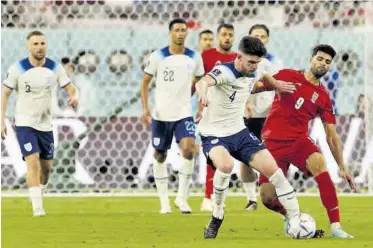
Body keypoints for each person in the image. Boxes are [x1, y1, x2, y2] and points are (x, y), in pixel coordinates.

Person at [196, 36, 300, 239]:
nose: (254, 66)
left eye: (257, 62)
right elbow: (203, 81)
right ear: (239, 56)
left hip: (240, 132)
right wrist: (202, 93)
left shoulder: (255, 68)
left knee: (275, 173)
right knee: (225, 166)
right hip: (214, 134)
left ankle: (296, 219)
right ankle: (217, 214)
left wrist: (276, 84)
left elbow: (263, 76)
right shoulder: (225, 71)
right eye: (250, 62)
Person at [258, 44, 356, 238]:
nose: (323, 64)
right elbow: (257, 87)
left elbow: (331, 134)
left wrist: (342, 167)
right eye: (319, 58)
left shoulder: (323, 97)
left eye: (328, 62)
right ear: (311, 59)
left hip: (299, 142)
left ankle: (336, 226)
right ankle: (291, 217)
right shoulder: (286, 75)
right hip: (272, 143)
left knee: (319, 163)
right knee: (267, 198)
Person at [1, 30, 79, 217]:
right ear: (28, 46)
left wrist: (74, 97)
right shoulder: (17, 68)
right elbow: (4, 93)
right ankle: (38, 207)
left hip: (45, 125)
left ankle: (39, 190)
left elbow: (70, 87)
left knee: (46, 169)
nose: (39, 47)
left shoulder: (55, 68)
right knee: (32, 162)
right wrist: (1, 119)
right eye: (35, 44)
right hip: (24, 123)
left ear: (47, 45)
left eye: (42, 43)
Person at [140, 18, 204, 214]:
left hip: (184, 114)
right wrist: (145, 109)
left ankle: (182, 199)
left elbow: (201, 83)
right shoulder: (158, 56)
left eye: (184, 30)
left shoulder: (194, 57)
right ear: (170, 33)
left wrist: (200, 106)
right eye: (177, 30)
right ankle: (164, 202)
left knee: (188, 150)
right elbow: (144, 83)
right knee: (160, 155)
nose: (181, 33)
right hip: (161, 115)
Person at [240, 24, 284, 211]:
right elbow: (239, 85)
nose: (259, 39)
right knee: (245, 157)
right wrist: (245, 103)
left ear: (267, 39)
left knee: (272, 156)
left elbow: (280, 88)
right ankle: (251, 199)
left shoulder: (276, 63)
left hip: (269, 116)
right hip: (247, 115)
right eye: (255, 36)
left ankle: (273, 193)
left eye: (263, 36)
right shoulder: (242, 61)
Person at [199, 23, 238, 212]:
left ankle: (216, 195)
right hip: (209, 111)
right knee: (212, 155)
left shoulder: (237, 59)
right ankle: (208, 196)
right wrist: (199, 106)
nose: (227, 38)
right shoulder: (206, 57)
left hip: (231, 114)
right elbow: (198, 82)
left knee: (225, 156)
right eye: (224, 34)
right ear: (218, 36)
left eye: (230, 35)